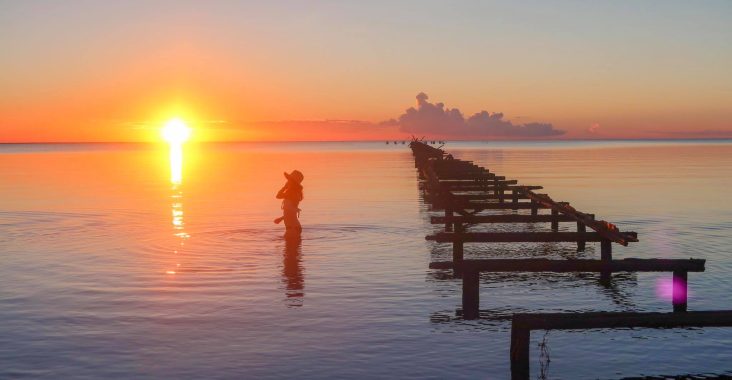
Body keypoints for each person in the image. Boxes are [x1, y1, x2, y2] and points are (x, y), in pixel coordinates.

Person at [274, 170, 304, 236]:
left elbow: (278, 196)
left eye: (289, 180)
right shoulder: (291, 192)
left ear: (292, 182)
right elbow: (290, 211)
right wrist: (281, 218)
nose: (287, 181)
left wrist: (284, 187)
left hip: (292, 229)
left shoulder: (292, 193)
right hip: (293, 227)